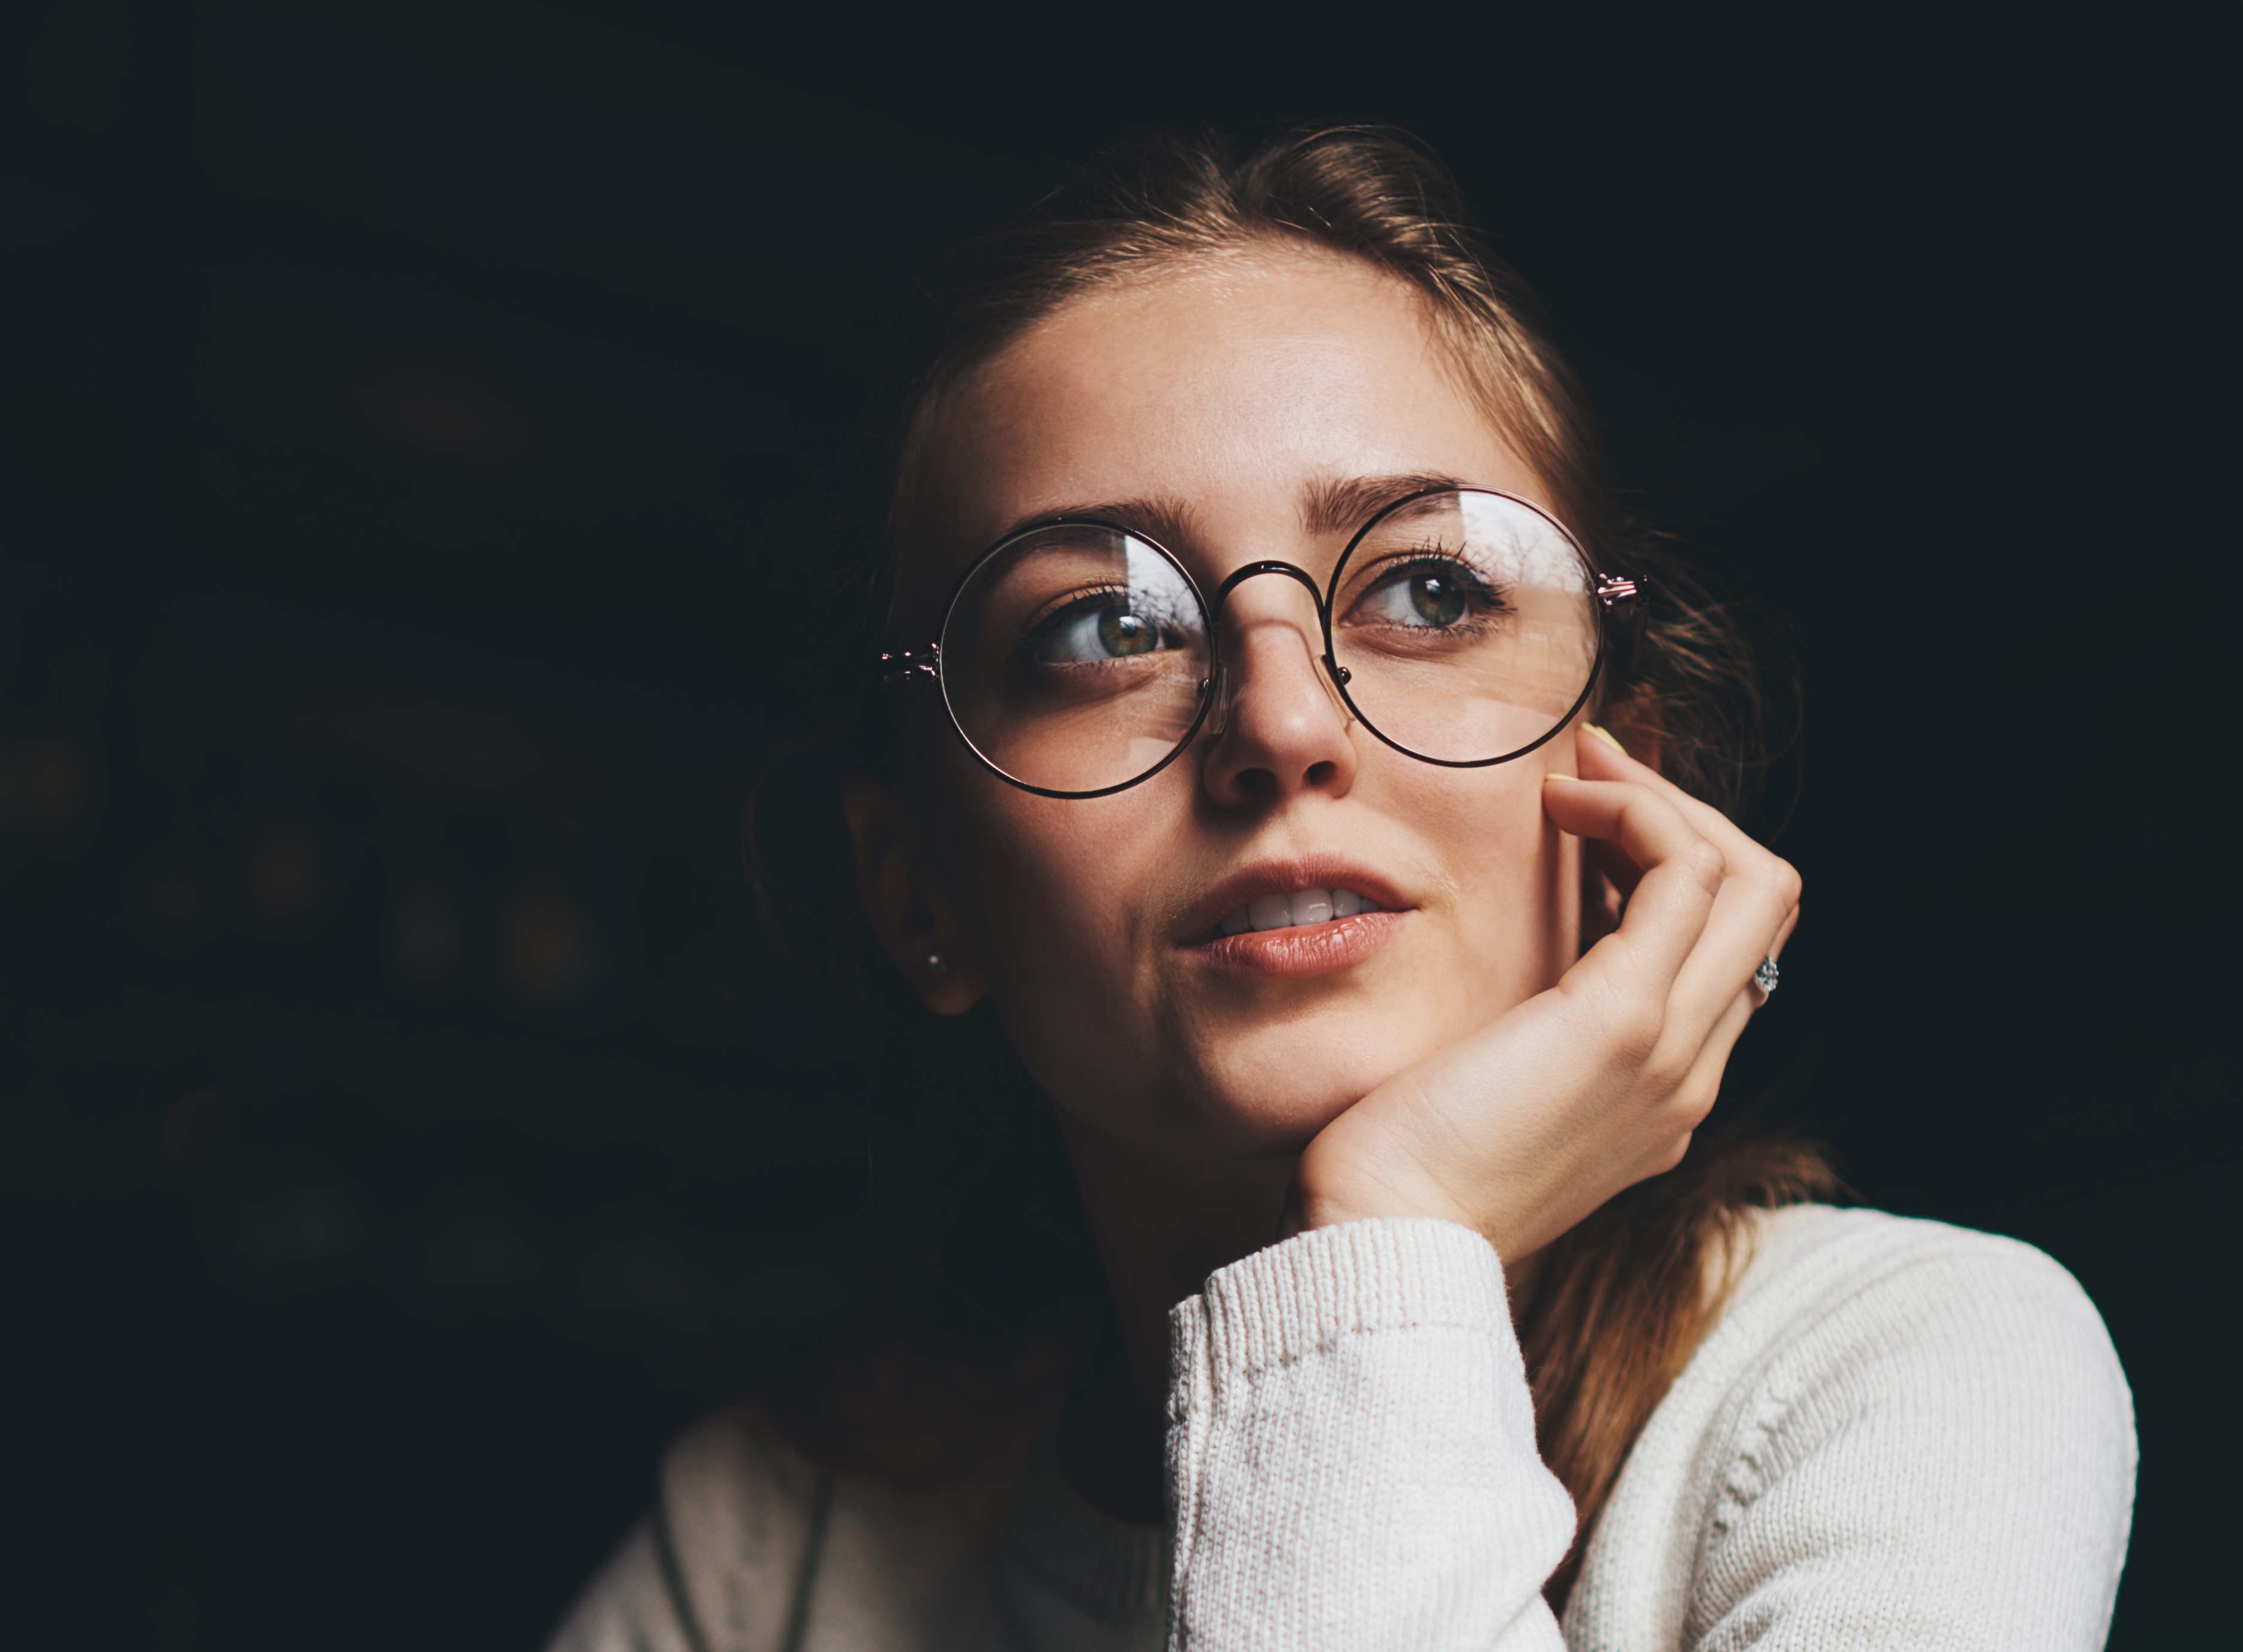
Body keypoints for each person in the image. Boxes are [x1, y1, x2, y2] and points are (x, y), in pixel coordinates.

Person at [553, 127, 2134, 1651]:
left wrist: (1389, 1225)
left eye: (1426, 591)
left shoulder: (1894, 1369)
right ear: (918, 890)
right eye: (1105, 630)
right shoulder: (771, 1547)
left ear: (1614, 786)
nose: (1284, 726)